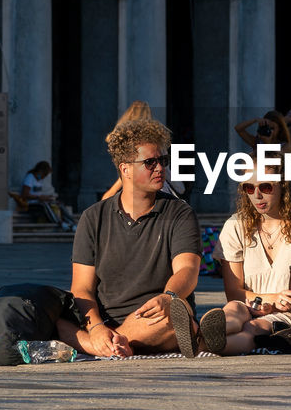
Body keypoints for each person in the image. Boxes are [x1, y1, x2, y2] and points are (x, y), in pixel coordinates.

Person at [68, 118, 216, 358]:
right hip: (106, 319)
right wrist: (95, 328)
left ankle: (111, 343)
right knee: (51, 311)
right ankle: (111, 342)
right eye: (150, 162)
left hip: (159, 314)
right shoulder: (93, 217)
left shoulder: (180, 213)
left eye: (163, 161)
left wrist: (168, 297)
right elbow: (82, 289)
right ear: (124, 168)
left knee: (174, 319)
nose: (160, 168)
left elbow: (187, 269)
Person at [199, 174, 291, 355]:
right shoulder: (235, 226)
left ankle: (201, 344)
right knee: (233, 309)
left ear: (284, 185)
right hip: (249, 306)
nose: (257, 195)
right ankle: (203, 333)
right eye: (249, 188)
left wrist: (276, 305)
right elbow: (233, 293)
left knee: (253, 327)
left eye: (266, 187)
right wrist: (269, 300)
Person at [101, 101, 186, 201]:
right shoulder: (156, 144)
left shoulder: (124, 147)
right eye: (149, 162)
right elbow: (172, 179)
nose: (158, 167)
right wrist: (180, 187)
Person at [19, 161, 77, 231]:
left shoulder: (39, 180)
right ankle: (60, 223)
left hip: (39, 201)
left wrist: (48, 197)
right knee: (45, 205)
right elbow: (24, 195)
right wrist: (39, 197)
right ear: (40, 171)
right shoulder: (30, 178)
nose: (44, 177)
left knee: (59, 204)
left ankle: (73, 223)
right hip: (31, 205)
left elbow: (38, 194)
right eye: (44, 174)